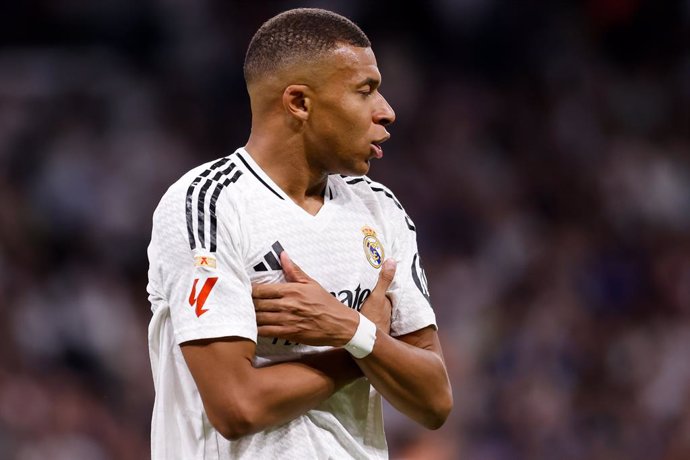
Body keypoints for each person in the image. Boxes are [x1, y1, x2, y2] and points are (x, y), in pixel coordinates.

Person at [147, 7, 452, 459]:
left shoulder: (379, 208)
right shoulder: (208, 205)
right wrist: (360, 343)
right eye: (364, 91)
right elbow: (236, 407)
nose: (386, 111)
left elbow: (434, 399)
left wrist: (348, 328)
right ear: (299, 103)